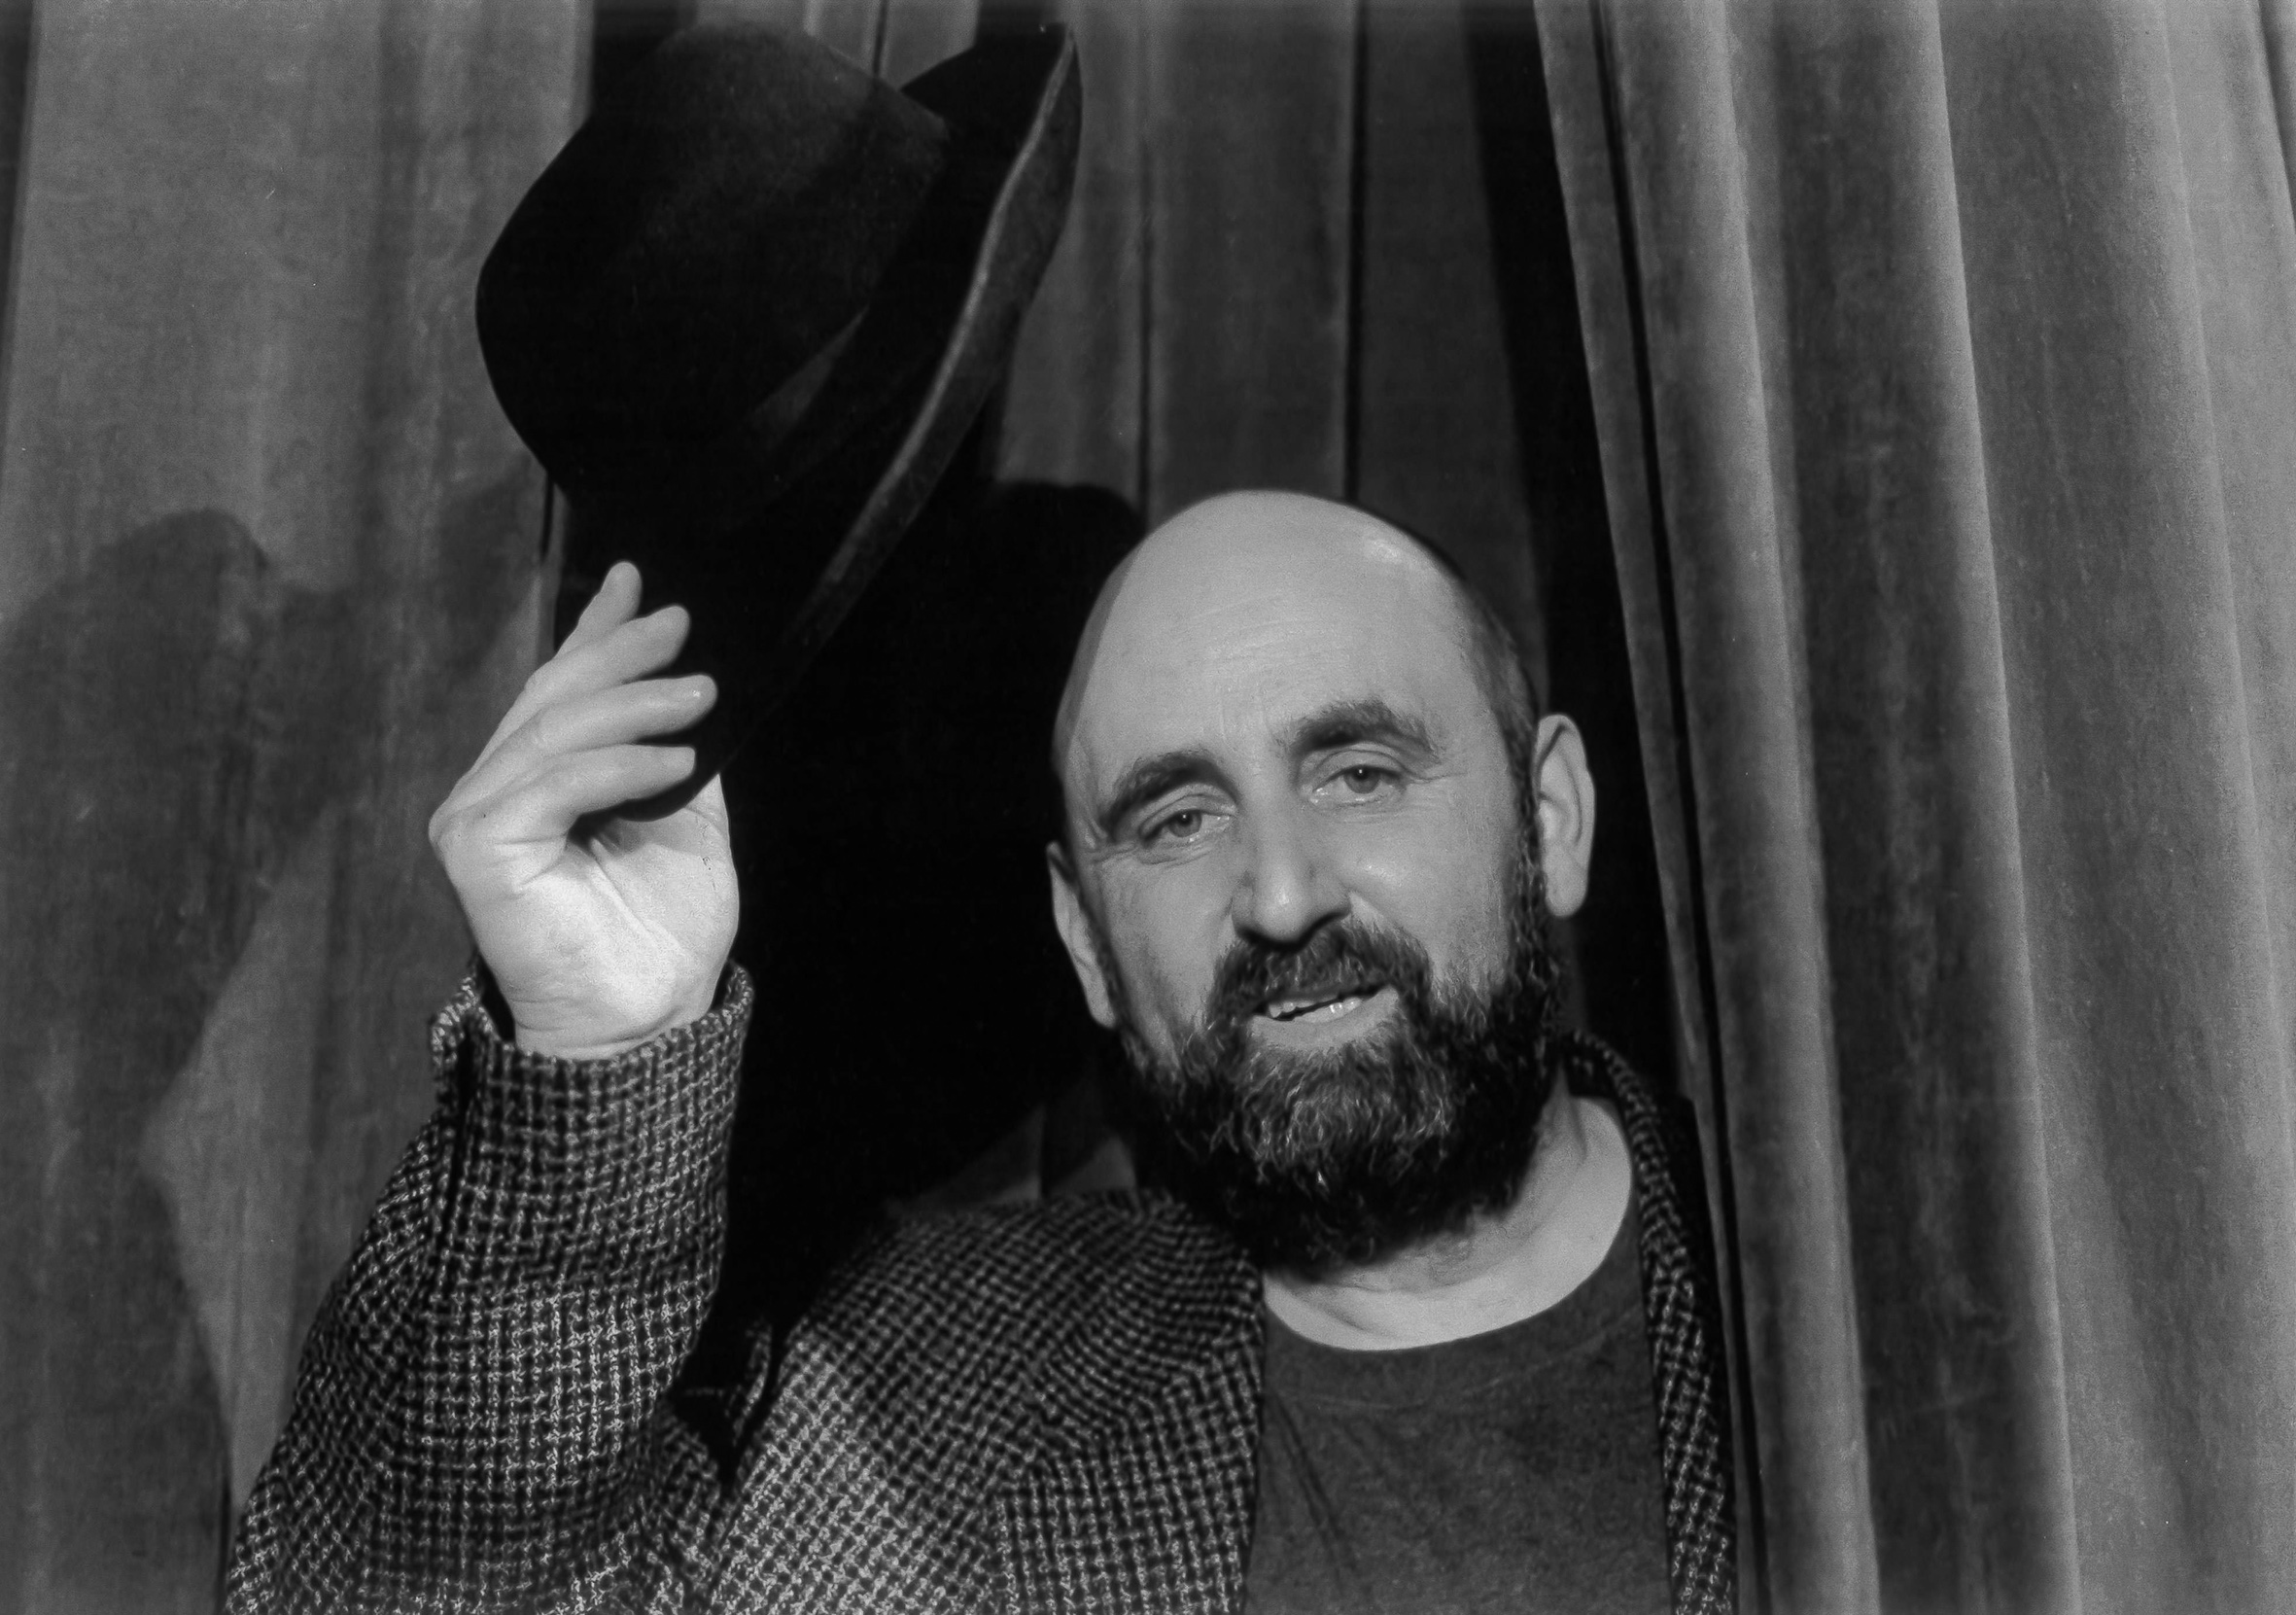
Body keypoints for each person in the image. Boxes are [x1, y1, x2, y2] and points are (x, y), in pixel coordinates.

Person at [226, 489, 1734, 1614]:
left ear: (1549, 819)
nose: (1280, 894)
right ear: (1082, 936)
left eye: (1358, 771)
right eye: (1177, 818)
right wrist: (591, 1066)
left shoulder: (1822, 1299)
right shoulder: (916, 1384)